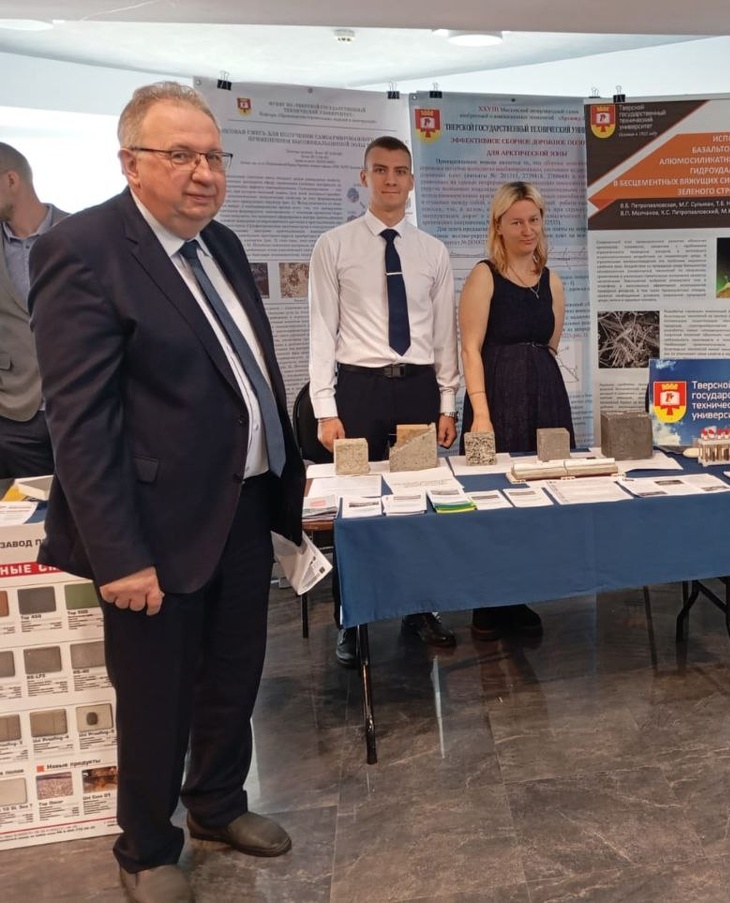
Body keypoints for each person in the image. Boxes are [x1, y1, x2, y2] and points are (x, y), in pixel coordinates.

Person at [28, 82, 305, 903]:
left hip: (242, 505)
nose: (204, 173)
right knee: (155, 695)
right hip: (151, 525)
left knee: (234, 672)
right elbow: (80, 421)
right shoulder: (83, 250)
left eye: (214, 155)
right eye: (180, 155)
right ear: (131, 163)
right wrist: (118, 554)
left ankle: (218, 802)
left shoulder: (222, 244)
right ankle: (147, 845)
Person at [308, 136, 461, 662]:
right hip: (360, 391)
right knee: (355, 508)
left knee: (417, 502)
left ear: (412, 180)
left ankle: (419, 607)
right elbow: (321, 330)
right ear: (364, 177)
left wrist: (447, 401)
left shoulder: (432, 251)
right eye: (380, 170)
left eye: (400, 170)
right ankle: (353, 618)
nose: (391, 179)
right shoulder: (334, 245)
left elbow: (443, 334)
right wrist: (325, 409)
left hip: (417, 389)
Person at [459, 181, 572, 640]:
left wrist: (539, 385)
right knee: (492, 499)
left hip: (545, 397)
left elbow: (550, 345)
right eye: (517, 221)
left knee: (538, 498)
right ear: (499, 226)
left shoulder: (553, 281)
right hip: (496, 399)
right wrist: (481, 413)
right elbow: (470, 348)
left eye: (534, 220)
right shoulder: (484, 275)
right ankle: (487, 602)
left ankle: (518, 593)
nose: (527, 230)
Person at [0, 143, 67, 491]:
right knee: (24, 513)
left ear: (11, 180)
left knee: (89, 508)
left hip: (81, 408)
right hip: (13, 419)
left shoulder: (83, 234)